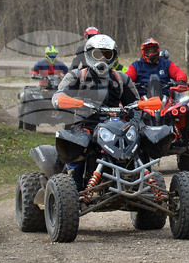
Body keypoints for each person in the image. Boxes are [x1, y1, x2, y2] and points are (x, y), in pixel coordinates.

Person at [52, 34, 140, 181]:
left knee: (139, 144)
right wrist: (64, 101)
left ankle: (144, 184)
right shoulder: (76, 76)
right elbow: (58, 96)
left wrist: (133, 123)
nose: (102, 59)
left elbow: (136, 105)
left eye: (107, 54)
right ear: (89, 55)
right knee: (77, 146)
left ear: (113, 56)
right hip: (85, 125)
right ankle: (68, 185)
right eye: (97, 54)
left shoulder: (122, 79)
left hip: (115, 127)